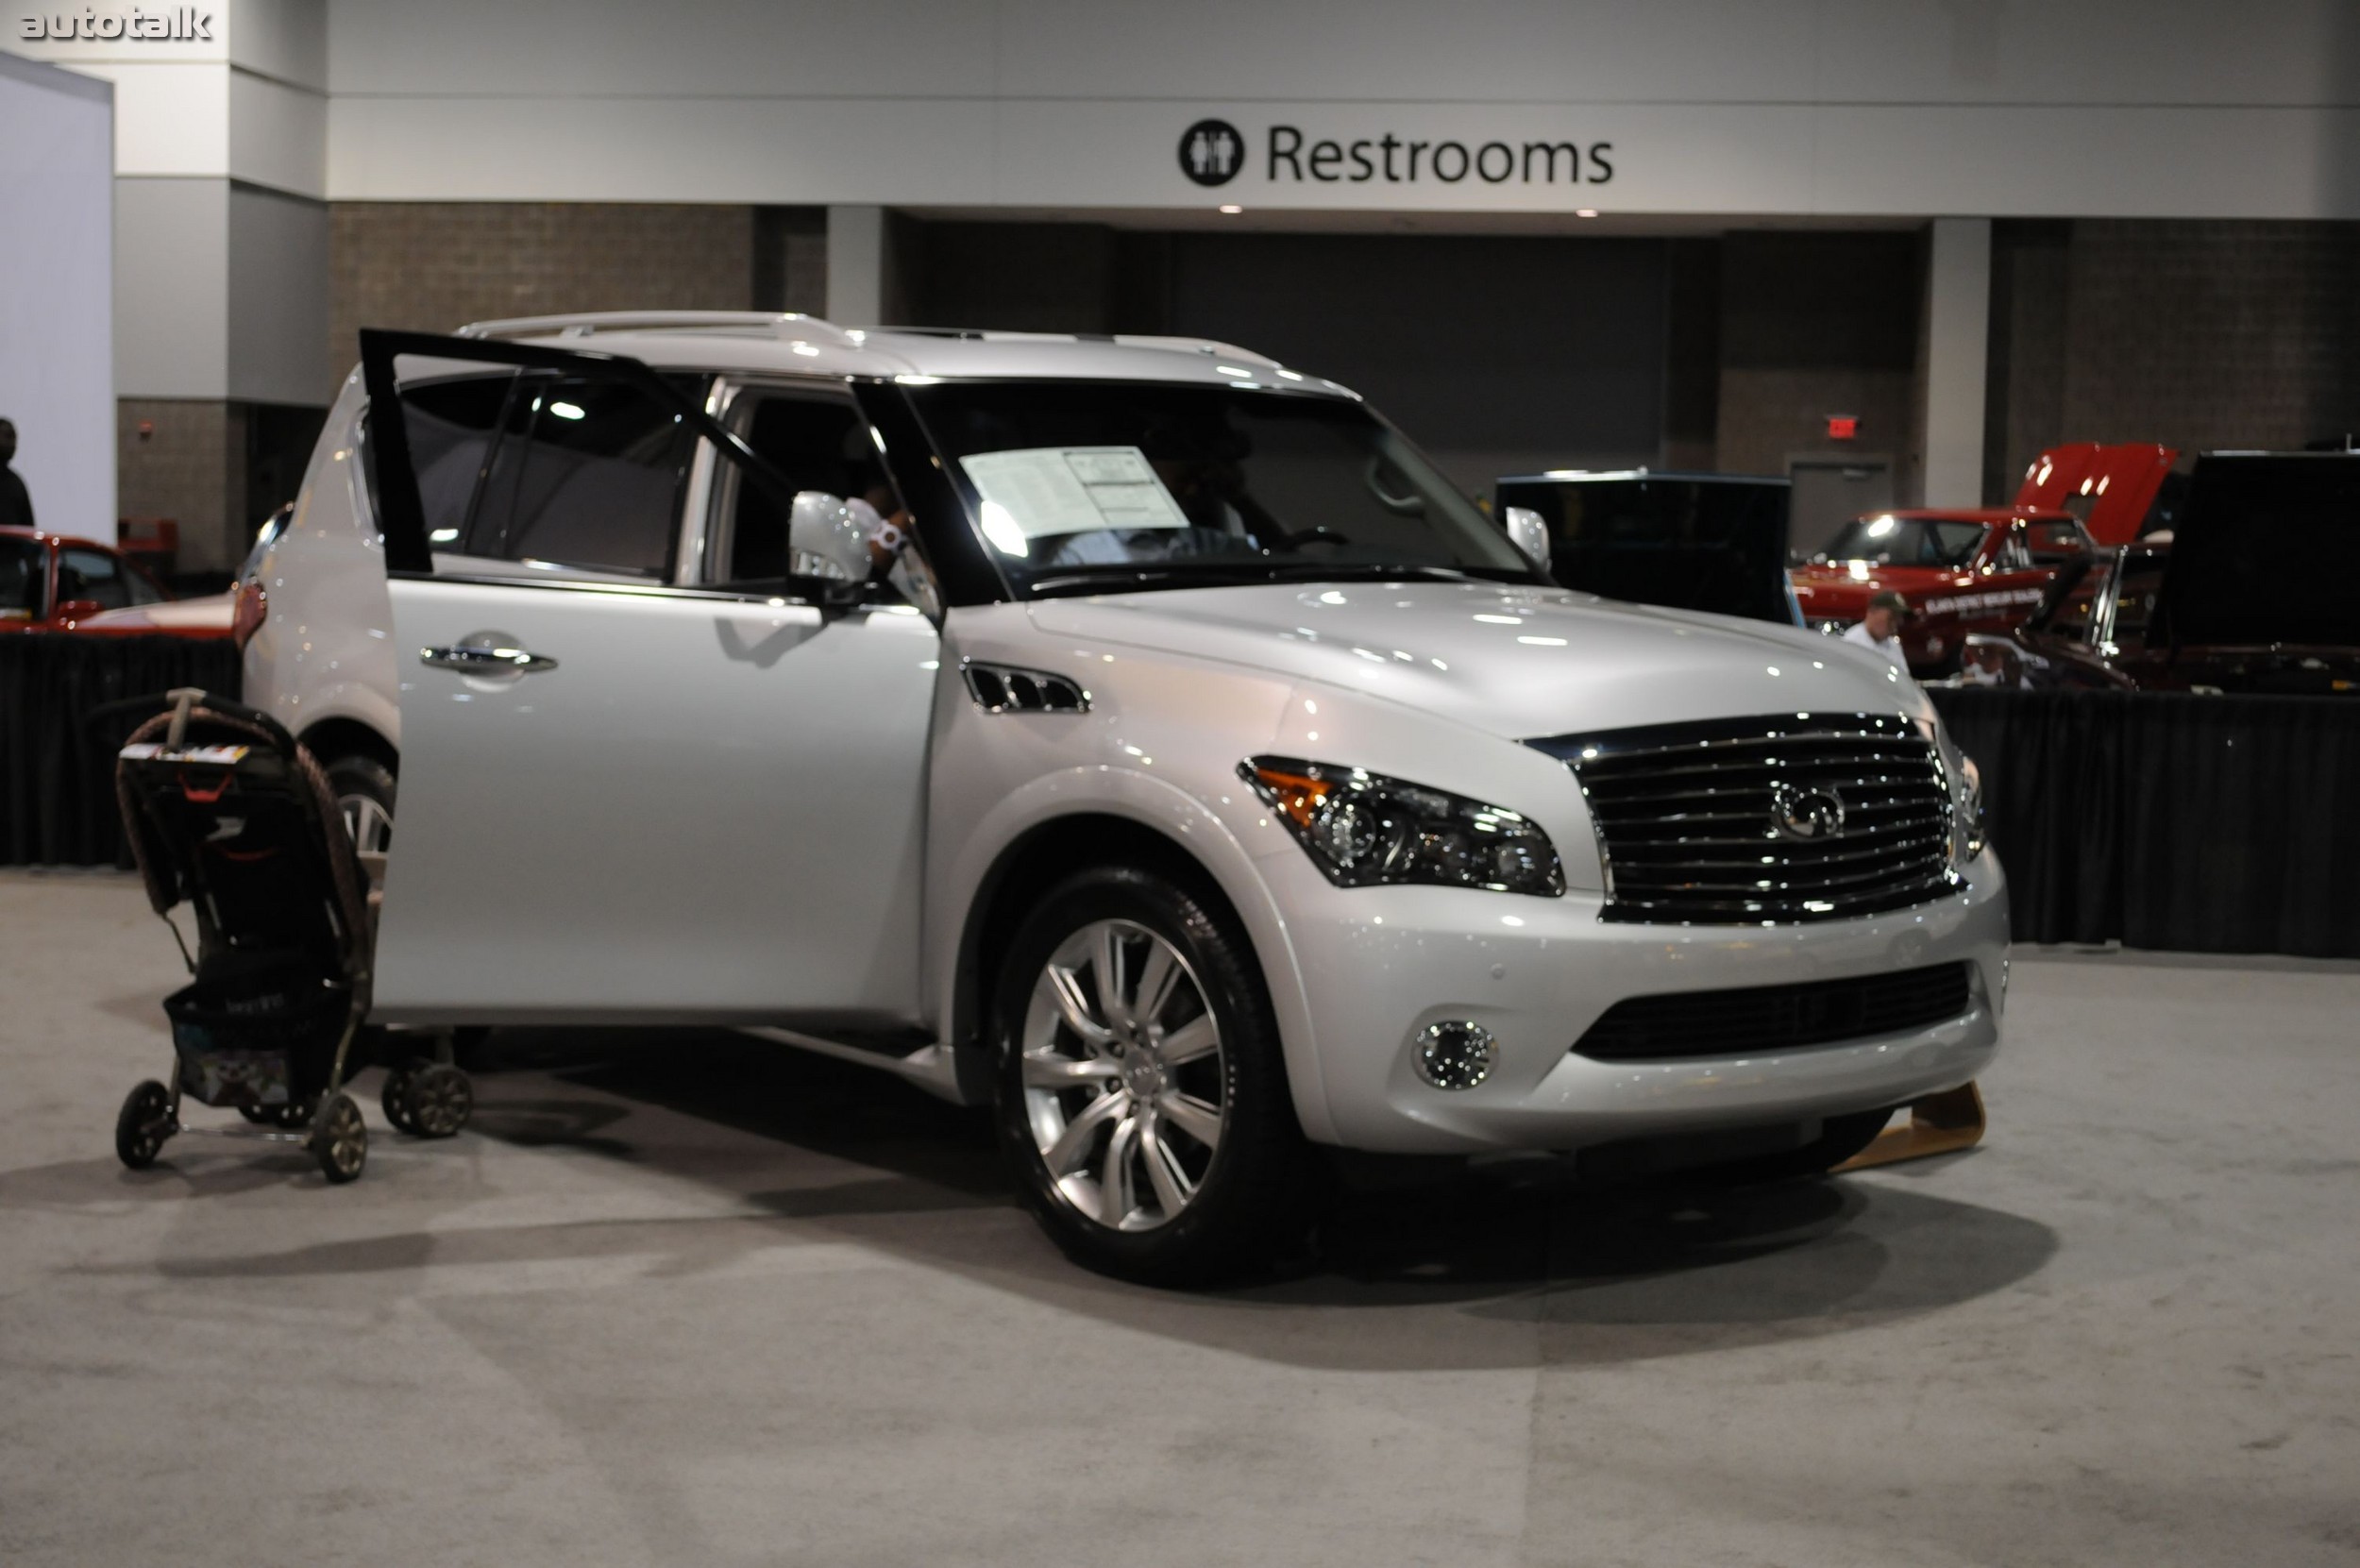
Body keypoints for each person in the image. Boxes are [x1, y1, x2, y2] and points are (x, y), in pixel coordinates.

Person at [1843, 588, 1911, 669]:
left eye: (1898, 618)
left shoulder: (1893, 646)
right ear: (1872, 611)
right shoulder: (1852, 643)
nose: (1895, 624)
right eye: (1891, 617)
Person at [0, 419, 34, 532]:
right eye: (7, 436)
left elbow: (29, 533)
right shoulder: (16, 484)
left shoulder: (16, 485)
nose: (11, 443)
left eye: (13, 437)